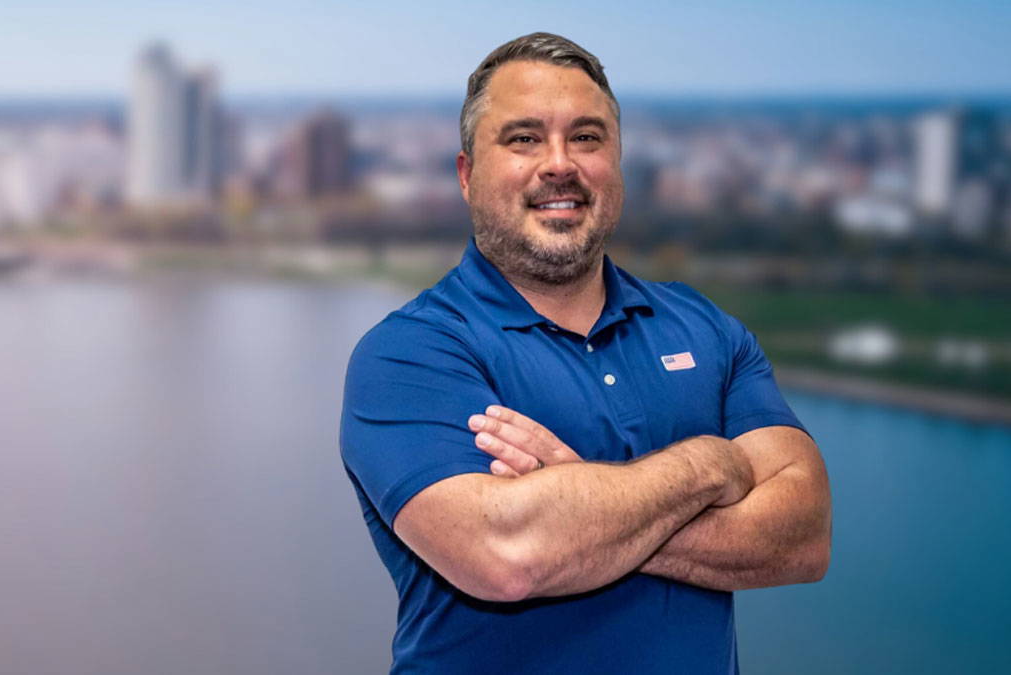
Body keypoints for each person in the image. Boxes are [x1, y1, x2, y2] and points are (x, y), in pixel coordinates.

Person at [340, 32, 831, 675]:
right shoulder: (409, 355)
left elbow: (804, 535)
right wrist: (709, 466)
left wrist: (576, 503)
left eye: (587, 138)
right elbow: (509, 556)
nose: (559, 164)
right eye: (523, 139)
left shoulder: (705, 328)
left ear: (617, 164)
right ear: (467, 175)